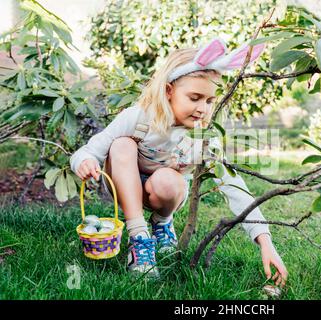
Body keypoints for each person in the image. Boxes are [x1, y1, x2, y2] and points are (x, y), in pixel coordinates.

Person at [70, 37, 288, 286]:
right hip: (124, 185)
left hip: (166, 193)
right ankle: (139, 239)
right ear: (168, 91)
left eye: (209, 101)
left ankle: (162, 223)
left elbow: (233, 186)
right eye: (194, 98)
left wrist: (265, 242)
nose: (203, 109)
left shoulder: (202, 138)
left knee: (167, 178)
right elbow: (86, 152)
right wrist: (85, 163)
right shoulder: (138, 118)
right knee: (121, 144)